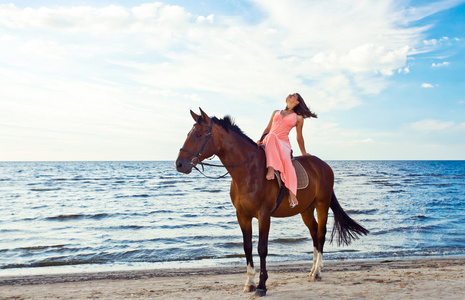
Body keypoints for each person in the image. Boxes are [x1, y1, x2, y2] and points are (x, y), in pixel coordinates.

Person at [257, 93, 317, 208]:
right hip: (269, 140)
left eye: (293, 95)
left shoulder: (298, 118)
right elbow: (268, 128)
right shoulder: (275, 112)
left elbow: (299, 137)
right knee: (271, 135)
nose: (290, 94)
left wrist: (304, 152)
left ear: (297, 102)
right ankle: (271, 168)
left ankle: (292, 192)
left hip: (283, 143)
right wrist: (261, 139)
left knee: (287, 162)